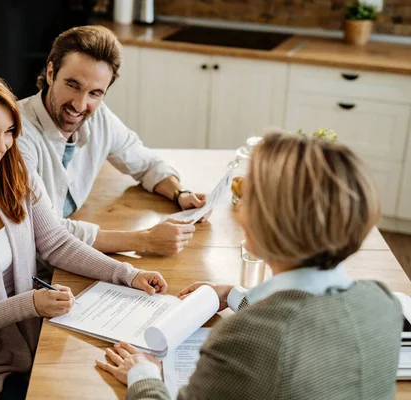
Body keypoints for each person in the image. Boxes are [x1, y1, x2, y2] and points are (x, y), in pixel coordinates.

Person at [0, 70, 168, 400]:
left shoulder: (14, 177)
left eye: (9, 131)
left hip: (27, 341)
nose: (3, 145)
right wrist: (30, 304)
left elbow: (57, 243)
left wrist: (129, 273)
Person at [96, 131, 403, 399]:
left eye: (249, 196)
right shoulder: (382, 303)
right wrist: (233, 294)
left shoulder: (243, 340)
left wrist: (143, 375)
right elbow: (308, 324)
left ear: (275, 222)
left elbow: (275, 339)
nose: (239, 206)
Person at [17, 25, 206, 257]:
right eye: (72, 85)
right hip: (34, 264)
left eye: (95, 93)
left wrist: (181, 194)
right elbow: (48, 232)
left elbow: (146, 163)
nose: (79, 104)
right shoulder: (16, 134)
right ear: (50, 72)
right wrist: (144, 240)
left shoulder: (99, 118)